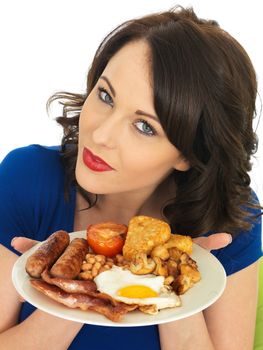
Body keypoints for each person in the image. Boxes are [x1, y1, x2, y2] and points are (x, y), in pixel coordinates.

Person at [0, 5, 262, 350]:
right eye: (106, 96)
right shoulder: (27, 179)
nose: (100, 134)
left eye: (144, 126)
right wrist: (71, 291)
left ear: (188, 154)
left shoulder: (230, 220)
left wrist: (172, 281)